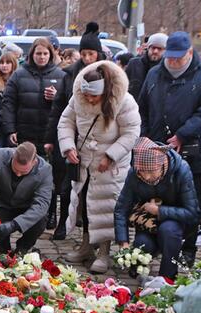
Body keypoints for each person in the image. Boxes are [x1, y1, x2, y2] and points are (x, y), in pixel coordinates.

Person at [138, 31, 201, 261]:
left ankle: (188, 248)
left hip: (189, 149)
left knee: (191, 199)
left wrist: (182, 134)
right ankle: (149, 246)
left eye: (178, 57)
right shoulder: (154, 73)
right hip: (155, 148)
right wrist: (144, 138)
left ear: (190, 53)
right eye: (169, 57)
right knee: (153, 196)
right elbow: (142, 107)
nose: (172, 61)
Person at [58, 60, 141, 273]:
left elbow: (131, 132)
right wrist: (68, 147)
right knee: (85, 205)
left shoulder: (125, 102)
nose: (89, 99)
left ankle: (104, 252)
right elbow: (66, 122)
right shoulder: (78, 98)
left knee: (107, 208)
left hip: (110, 167)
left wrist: (111, 155)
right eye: (86, 95)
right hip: (84, 163)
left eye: (93, 96)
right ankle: (86, 246)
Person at [1, 38, 68, 234]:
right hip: (25, 133)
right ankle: (25, 211)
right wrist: (10, 129)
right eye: (38, 53)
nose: (41, 57)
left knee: (51, 176)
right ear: (32, 54)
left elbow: (68, 105)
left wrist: (57, 97)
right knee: (26, 174)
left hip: (49, 135)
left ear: (51, 54)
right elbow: (9, 103)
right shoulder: (19, 75)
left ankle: (50, 213)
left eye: (45, 54)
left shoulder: (60, 75)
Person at [114, 137, 198, 282]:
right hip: (147, 225)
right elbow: (121, 209)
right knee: (143, 244)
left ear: (163, 164)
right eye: (142, 172)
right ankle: (140, 267)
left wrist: (159, 211)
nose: (147, 177)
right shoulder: (135, 174)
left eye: (152, 172)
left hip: (175, 223)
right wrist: (123, 242)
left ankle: (167, 277)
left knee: (168, 230)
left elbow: (192, 213)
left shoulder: (181, 171)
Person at [0, 142, 53, 255]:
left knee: (40, 220)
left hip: (27, 208)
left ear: (34, 162)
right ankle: (3, 241)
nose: (18, 174)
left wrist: (14, 225)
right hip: (3, 205)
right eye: (15, 170)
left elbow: (41, 205)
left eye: (23, 172)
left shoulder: (45, 170)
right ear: (13, 156)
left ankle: (23, 247)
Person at [126, 32, 166, 99]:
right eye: (153, 48)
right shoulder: (134, 64)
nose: (155, 51)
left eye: (159, 49)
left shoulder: (166, 69)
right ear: (148, 48)